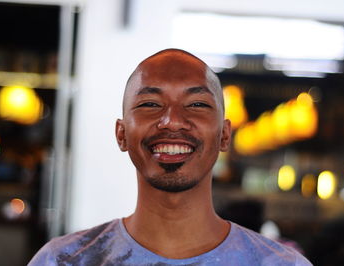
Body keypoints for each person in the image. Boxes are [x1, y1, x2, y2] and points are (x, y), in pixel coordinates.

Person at [28, 49, 312, 265]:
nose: (172, 120)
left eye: (197, 104)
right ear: (121, 134)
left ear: (224, 135)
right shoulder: (64, 260)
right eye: (150, 104)